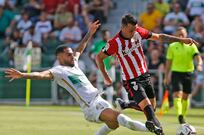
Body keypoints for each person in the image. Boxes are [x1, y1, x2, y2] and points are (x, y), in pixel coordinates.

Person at [5, 21, 151, 135]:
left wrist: (90, 32)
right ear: (59, 57)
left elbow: (80, 48)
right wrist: (23, 75)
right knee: (122, 119)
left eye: (71, 53)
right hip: (90, 107)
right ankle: (154, 129)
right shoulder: (58, 70)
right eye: (68, 54)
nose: (72, 55)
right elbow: (41, 75)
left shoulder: (73, 63)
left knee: (113, 125)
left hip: (99, 100)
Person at [95, 14, 198, 135]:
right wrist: (106, 77)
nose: (133, 33)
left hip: (145, 75)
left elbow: (160, 37)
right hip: (131, 79)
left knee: (152, 108)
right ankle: (158, 130)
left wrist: (181, 40)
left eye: (134, 29)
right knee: (150, 112)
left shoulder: (139, 32)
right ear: (122, 27)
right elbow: (99, 58)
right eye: (130, 30)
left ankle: (126, 104)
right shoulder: (114, 43)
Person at [164, 27, 203, 124]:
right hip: (176, 73)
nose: (181, 36)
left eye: (183, 34)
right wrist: (166, 76)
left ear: (186, 34)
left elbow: (198, 57)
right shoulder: (172, 46)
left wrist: (199, 64)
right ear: (176, 36)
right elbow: (168, 63)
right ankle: (179, 115)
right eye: (179, 34)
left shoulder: (191, 45)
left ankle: (183, 116)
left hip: (188, 73)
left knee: (186, 96)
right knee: (178, 94)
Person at [89, 29, 115, 104]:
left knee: (110, 84)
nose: (106, 36)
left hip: (110, 67)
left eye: (107, 34)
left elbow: (116, 54)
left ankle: (109, 103)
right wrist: (95, 63)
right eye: (104, 35)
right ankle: (100, 102)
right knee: (100, 83)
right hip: (100, 67)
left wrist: (114, 61)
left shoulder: (112, 43)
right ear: (102, 36)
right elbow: (90, 54)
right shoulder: (97, 44)